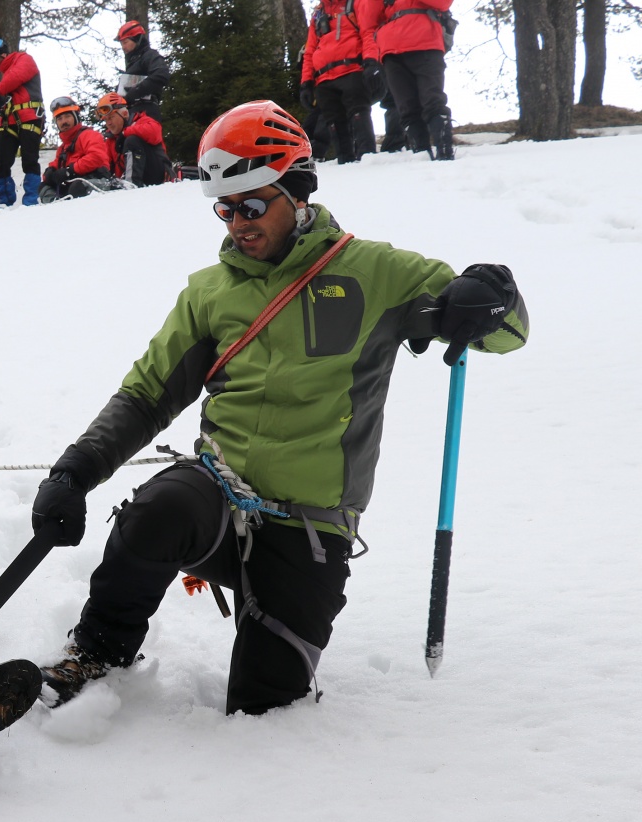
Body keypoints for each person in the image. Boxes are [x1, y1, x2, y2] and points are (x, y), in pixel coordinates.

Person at [30, 100, 528, 714]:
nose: (238, 222)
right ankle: (97, 653)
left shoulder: (378, 273)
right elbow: (148, 391)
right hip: (217, 492)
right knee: (157, 509)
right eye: (226, 207)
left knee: (267, 706)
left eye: (254, 204)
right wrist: (74, 470)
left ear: (297, 189)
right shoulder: (210, 292)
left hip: (310, 528)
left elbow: (507, 335)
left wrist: (493, 295)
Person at [358, 0, 455, 159]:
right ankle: (421, 154)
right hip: (392, 51)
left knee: (433, 101)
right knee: (407, 108)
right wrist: (371, 57)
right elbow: (369, 22)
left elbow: (443, 3)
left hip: (425, 42)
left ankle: (445, 152)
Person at [300, 0, 382, 164]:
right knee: (334, 123)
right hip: (323, 77)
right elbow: (310, 51)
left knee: (359, 114)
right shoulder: (318, 14)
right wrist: (306, 82)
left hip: (352, 69)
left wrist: (371, 61)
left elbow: (368, 33)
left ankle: (369, 160)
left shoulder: (355, 4)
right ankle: (345, 162)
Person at [0, 37, 44, 207]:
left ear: (1, 54)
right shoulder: (6, 74)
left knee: (29, 159)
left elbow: (14, 78)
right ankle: (4, 200)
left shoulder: (24, 59)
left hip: (30, 117)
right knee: (1, 160)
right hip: (9, 120)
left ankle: (31, 200)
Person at [39, 97, 115, 203]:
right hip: (73, 186)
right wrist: (50, 171)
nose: (64, 121)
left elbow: (96, 157)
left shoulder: (90, 135)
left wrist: (70, 171)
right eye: (59, 119)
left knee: (77, 187)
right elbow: (56, 165)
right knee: (44, 187)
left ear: (75, 117)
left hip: (96, 181)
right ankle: (55, 210)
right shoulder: (63, 148)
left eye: (67, 116)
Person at [97, 92, 171, 186]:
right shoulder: (111, 140)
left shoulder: (142, 121)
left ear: (124, 114)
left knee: (132, 141)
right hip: (128, 179)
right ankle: (127, 184)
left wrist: (125, 133)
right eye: (106, 120)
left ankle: (131, 184)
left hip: (157, 176)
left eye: (111, 117)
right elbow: (105, 163)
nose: (109, 123)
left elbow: (155, 133)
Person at [115, 21, 170, 127]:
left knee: (135, 141)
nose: (123, 47)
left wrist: (135, 91)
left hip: (146, 111)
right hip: (131, 113)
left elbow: (161, 74)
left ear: (136, 39)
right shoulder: (133, 63)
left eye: (125, 42)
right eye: (121, 44)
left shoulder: (149, 56)